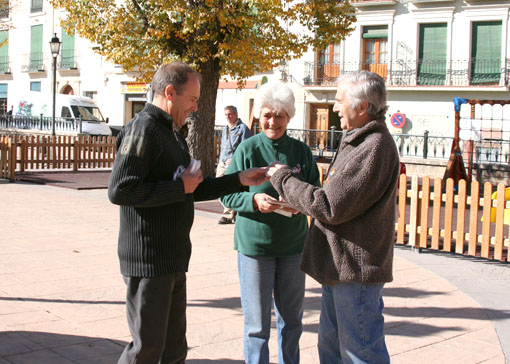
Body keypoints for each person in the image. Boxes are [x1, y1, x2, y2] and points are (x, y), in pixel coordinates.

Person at [108, 61, 268, 364]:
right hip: (148, 260)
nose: (195, 107)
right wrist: (179, 188)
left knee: (173, 351)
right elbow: (120, 190)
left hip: (171, 258)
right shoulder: (143, 128)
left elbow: (191, 188)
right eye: (192, 99)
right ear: (170, 92)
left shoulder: (171, 132)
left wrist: (239, 179)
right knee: (146, 350)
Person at [267, 70, 399, 364]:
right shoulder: (358, 140)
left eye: (340, 100)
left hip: (355, 272)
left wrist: (283, 179)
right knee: (331, 349)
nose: (335, 108)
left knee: (361, 353)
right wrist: (299, 199)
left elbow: (329, 206)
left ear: (363, 107)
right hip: (340, 269)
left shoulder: (373, 146)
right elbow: (337, 202)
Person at [221, 82, 320, 364]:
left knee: (292, 322)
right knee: (256, 327)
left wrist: (300, 205)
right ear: (257, 115)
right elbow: (227, 195)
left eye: (279, 115)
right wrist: (253, 202)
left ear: (289, 117)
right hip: (255, 248)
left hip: (293, 248)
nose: (272, 121)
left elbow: (316, 193)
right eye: (267, 114)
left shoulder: (301, 152)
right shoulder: (247, 149)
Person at [216, 105, 251, 224]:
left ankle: (228, 214)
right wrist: (221, 159)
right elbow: (223, 146)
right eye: (226, 114)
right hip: (223, 162)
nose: (228, 117)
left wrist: (234, 159)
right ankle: (233, 210)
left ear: (236, 114)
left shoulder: (243, 129)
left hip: (233, 163)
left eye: (230, 114)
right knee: (218, 187)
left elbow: (245, 148)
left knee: (229, 186)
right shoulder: (226, 128)